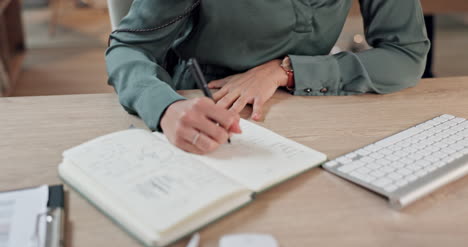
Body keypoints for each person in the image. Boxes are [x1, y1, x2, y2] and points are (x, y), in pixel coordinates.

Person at [106, 0, 430, 154]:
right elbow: (129, 48)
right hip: (205, 107)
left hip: (313, 106)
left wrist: (285, 70)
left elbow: (406, 54)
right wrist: (164, 107)